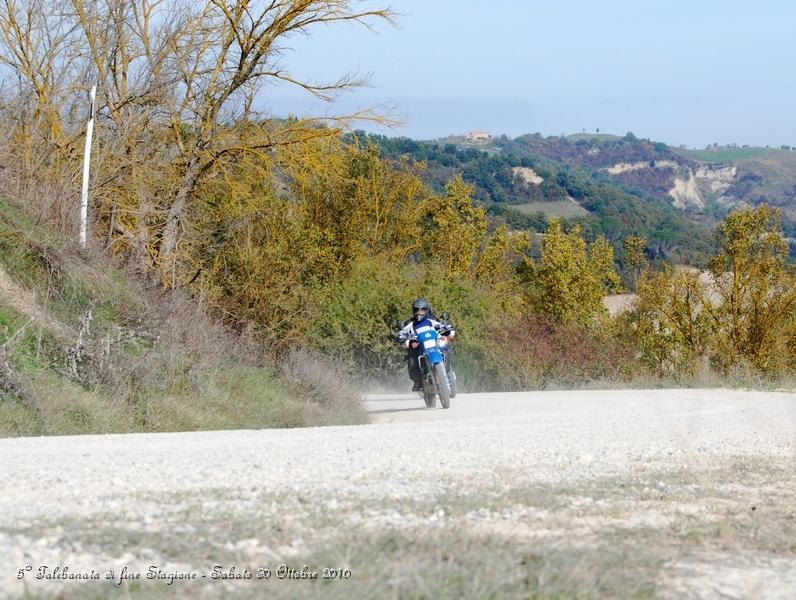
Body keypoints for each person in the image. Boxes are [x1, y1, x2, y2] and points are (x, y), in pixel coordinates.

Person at [396, 298, 455, 391]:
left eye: (422, 310)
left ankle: (446, 372)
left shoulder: (432, 320)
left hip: (434, 344)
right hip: (419, 346)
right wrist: (401, 337)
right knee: (412, 360)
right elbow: (402, 333)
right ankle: (417, 381)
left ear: (426, 310)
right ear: (413, 310)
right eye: (416, 310)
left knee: (445, 350)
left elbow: (441, 326)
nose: (419, 313)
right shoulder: (410, 323)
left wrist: (447, 328)